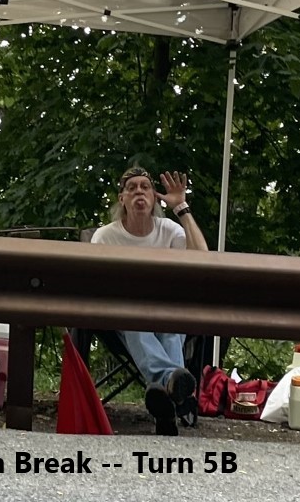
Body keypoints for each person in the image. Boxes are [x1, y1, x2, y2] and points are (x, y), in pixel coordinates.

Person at [91, 165, 208, 435]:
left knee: (170, 327)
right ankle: (173, 383)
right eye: (131, 188)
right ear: (122, 198)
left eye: (145, 187)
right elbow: (96, 283)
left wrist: (181, 208)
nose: (139, 192)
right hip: (125, 315)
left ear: (155, 197)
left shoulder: (170, 230)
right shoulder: (105, 236)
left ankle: (166, 396)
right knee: (136, 321)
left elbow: (203, 258)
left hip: (168, 311)